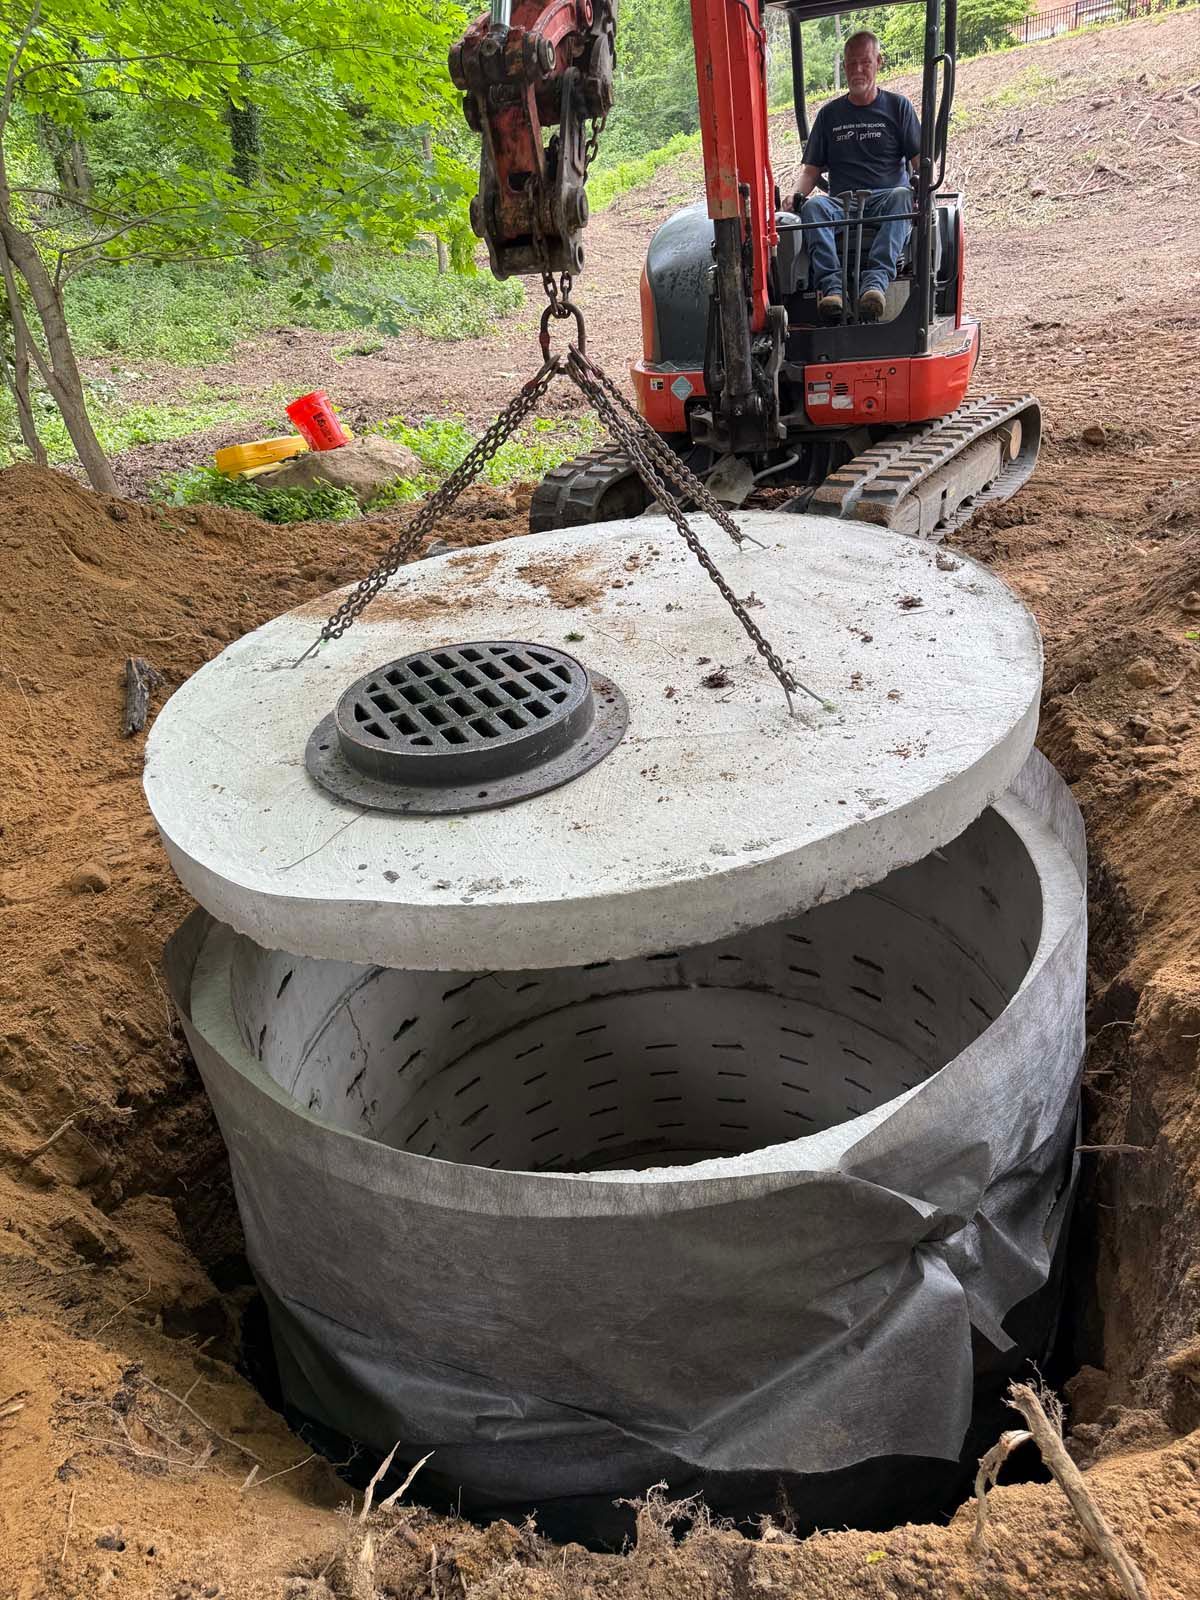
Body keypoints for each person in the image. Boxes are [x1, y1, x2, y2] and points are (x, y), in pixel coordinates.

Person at [795, 31, 921, 323]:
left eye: (865, 62)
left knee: (904, 196)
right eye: (851, 64)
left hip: (886, 200)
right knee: (814, 207)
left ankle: (874, 286)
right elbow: (810, 171)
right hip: (842, 204)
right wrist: (795, 197)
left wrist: (926, 188)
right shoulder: (829, 115)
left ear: (879, 62)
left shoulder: (898, 107)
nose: (858, 70)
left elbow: (921, 162)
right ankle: (832, 290)